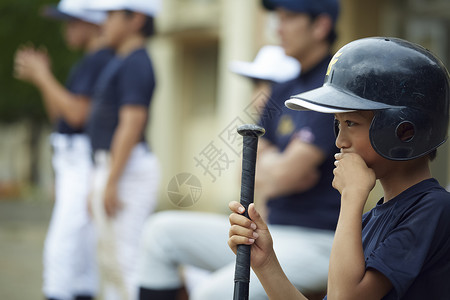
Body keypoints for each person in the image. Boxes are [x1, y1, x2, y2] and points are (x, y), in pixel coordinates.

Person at [137, 0, 341, 299]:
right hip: (271, 233)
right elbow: (246, 171)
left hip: (319, 241)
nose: (277, 26)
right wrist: (282, 167)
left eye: (288, 17)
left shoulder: (333, 86)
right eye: (277, 16)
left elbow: (286, 174)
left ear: (321, 25)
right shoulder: (285, 87)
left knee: (209, 293)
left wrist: (279, 169)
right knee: (159, 232)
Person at [228, 37, 450, 299]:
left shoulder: (434, 210)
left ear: (404, 130)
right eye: (338, 124)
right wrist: (266, 264)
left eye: (351, 123)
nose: (339, 141)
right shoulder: (370, 220)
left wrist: (352, 196)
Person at [13, 1, 113, 299]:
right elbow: (60, 117)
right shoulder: (87, 61)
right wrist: (44, 80)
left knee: (62, 249)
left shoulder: (101, 59)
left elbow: (77, 115)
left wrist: (43, 76)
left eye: (72, 21)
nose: (66, 28)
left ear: (93, 22)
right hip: (71, 160)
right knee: (79, 255)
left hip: (83, 160)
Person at [85, 0, 161, 299]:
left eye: (112, 14)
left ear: (137, 18)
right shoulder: (123, 58)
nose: (105, 21)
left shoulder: (137, 61)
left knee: (127, 260)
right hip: (115, 166)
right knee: (111, 261)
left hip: (127, 169)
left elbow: (132, 122)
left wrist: (112, 180)